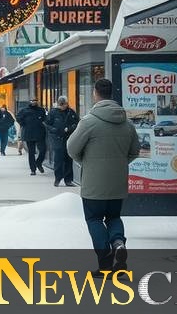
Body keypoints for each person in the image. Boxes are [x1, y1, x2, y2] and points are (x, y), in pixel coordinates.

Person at [67, 78, 139, 273]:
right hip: (118, 182)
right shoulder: (127, 123)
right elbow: (135, 151)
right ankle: (118, 243)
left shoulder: (89, 121)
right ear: (111, 94)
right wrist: (118, 164)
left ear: (95, 93)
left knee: (95, 219)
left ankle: (105, 262)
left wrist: (86, 163)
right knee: (114, 217)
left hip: (94, 183)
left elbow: (71, 148)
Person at [45, 96, 80, 187]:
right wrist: (54, 130)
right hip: (57, 139)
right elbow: (47, 124)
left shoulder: (71, 112)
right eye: (60, 105)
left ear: (66, 104)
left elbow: (77, 123)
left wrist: (70, 128)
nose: (62, 107)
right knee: (58, 160)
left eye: (64, 104)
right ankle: (57, 178)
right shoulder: (53, 112)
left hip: (68, 138)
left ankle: (68, 180)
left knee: (68, 159)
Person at [17, 97, 49, 175]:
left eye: (35, 101)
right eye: (32, 101)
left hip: (40, 133)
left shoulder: (41, 110)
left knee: (43, 150)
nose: (33, 102)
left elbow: (45, 119)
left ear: (37, 101)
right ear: (29, 101)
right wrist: (24, 124)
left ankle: (38, 163)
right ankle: (33, 169)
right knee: (31, 152)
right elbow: (18, 118)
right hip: (29, 133)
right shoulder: (24, 110)